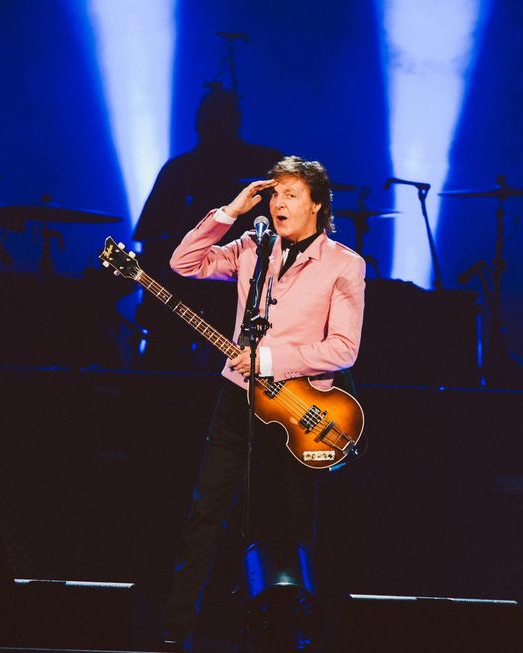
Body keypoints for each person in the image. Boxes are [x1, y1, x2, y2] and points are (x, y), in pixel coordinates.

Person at [160, 156, 366, 650]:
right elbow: (183, 263)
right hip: (236, 402)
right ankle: (176, 628)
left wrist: (270, 358)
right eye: (275, 194)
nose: (279, 204)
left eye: (291, 195)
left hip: (301, 410)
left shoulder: (344, 264)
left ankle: (294, 630)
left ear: (317, 204)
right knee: (205, 512)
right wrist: (228, 212)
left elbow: (344, 349)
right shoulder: (252, 247)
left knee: (293, 523)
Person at [134, 87, 282, 370]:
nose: (213, 121)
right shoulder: (178, 170)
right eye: (209, 114)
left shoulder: (264, 164)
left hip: (250, 287)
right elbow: (151, 238)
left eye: (220, 114)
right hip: (186, 285)